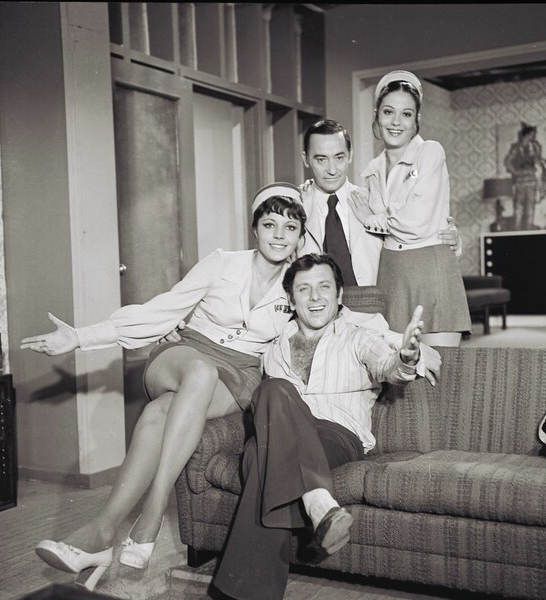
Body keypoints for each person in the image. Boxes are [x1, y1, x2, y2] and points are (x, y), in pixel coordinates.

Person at [20, 182, 308, 590]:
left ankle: (101, 533)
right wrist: (82, 336)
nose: (279, 235)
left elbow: (323, 323)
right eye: (270, 224)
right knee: (200, 372)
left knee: (158, 414)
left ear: (300, 236)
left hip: (240, 372)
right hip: (185, 354)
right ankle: (154, 511)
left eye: (290, 227)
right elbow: (163, 309)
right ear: (254, 228)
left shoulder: (298, 284)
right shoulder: (223, 263)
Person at [212, 253, 429, 600]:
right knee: (265, 418)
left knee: (260, 452)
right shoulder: (273, 348)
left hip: (336, 437)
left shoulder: (358, 338)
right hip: (280, 437)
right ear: (290, 300)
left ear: (339, 294)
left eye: (324, 287)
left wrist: (405, 359)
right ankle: (317, 502)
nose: (315, 297)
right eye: (304, 289)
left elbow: (389, 367)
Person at [348, 71, 471, 347]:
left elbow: (416, 221)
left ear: (416, 120)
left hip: (430, 269)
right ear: (377, 116)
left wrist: (370, 219)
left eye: (406, 114)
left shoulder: (430, 152)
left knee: (440, 364)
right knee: (398, 366)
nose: (396, 122)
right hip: (391, 273)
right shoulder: (372, 170)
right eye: (388, 112)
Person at [299, 119, 460, 286]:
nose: (332, 170)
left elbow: (414, 227)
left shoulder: (374, 200)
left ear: (350, 155)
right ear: (306, 159)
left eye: (339, 157)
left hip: (373, 299)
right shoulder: (296, 205)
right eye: (321, 160)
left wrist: (448, 238)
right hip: (315, 300)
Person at [503, 121, 546, 231]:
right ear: (526, 134)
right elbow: (508, 162)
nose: (532, 137)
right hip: (520, 180)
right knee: (519, 205)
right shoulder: (516, 148)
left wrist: (545, 172)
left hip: (532, 179)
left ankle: (528, 227)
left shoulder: (535, 147)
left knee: (530, 205)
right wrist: (516, 172)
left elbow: (539, 160)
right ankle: (517, 228)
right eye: (531, 134)